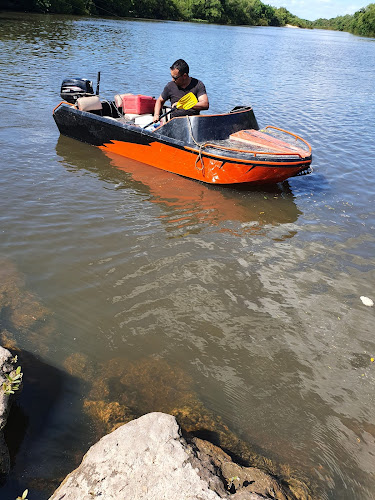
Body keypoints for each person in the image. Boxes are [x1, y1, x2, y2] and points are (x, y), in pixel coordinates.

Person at [153, 59, 209, 123]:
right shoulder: (170, 86)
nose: (172, 79)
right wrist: (156, 115)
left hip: (193, 123)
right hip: (175, 123)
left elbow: (205, 104)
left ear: (184, 76)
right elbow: (160, 100)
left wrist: (184, 105)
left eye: (175, 77)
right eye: (171, 76)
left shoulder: (198, 85)